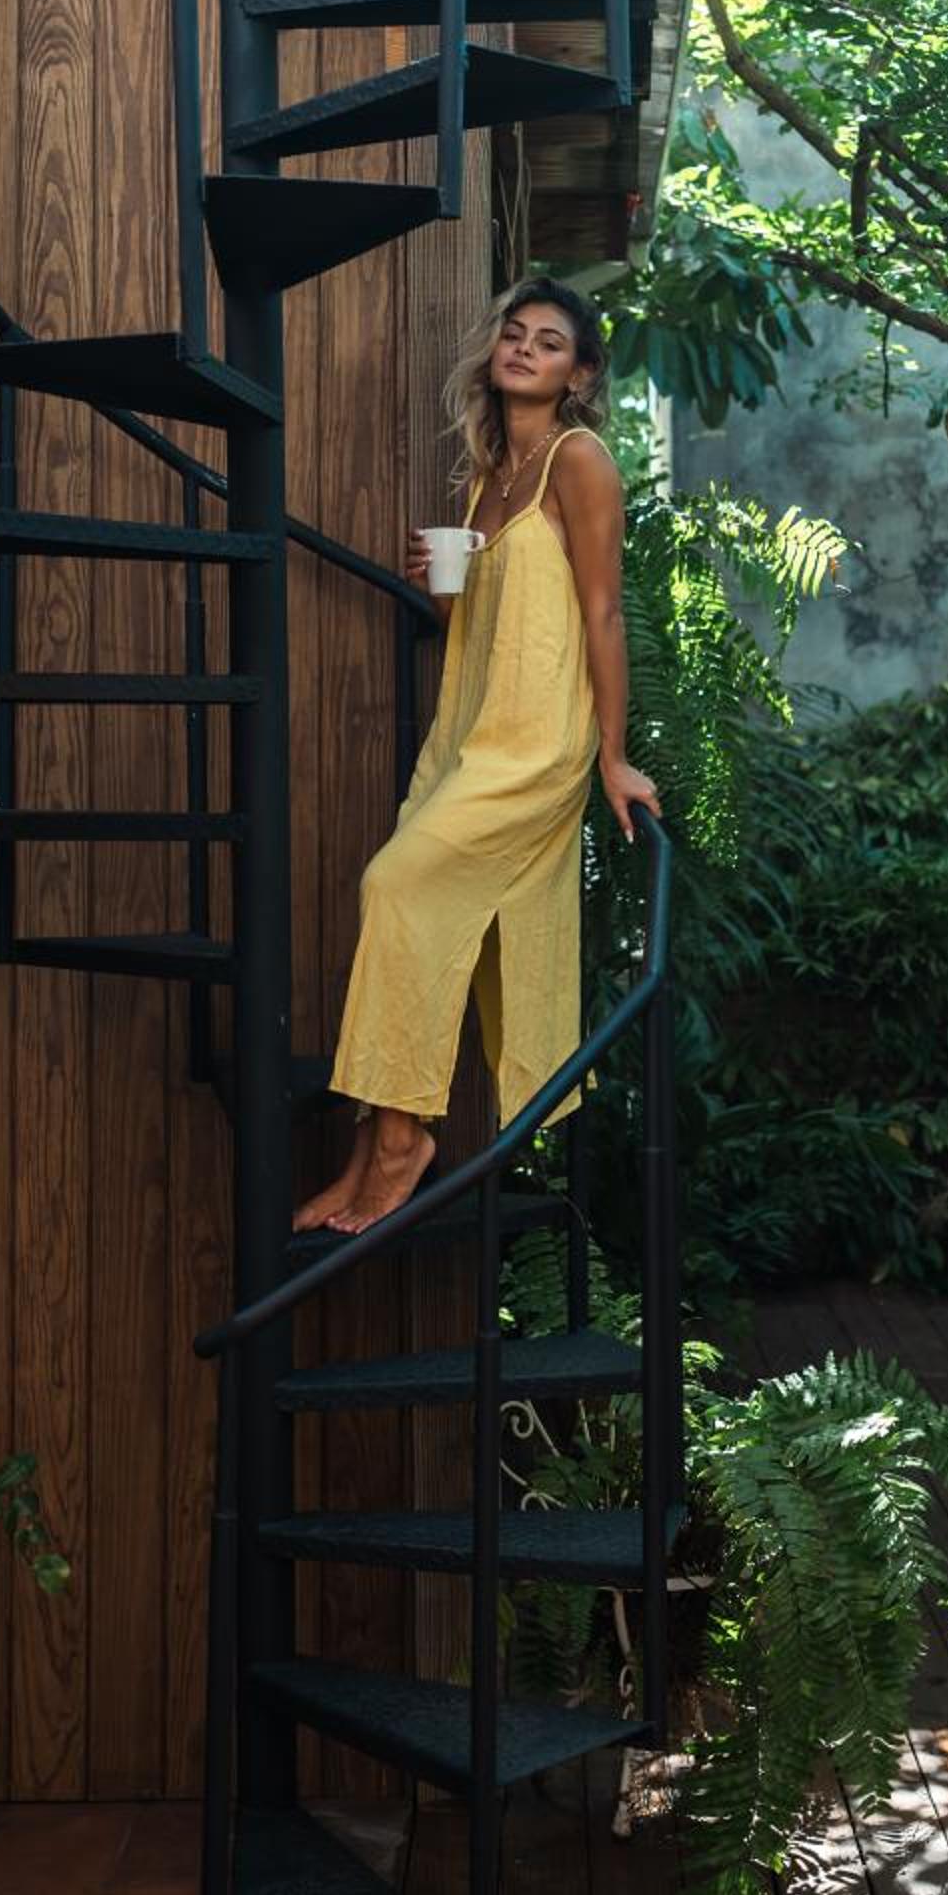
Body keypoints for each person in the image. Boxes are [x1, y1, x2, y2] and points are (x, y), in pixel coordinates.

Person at [293, 277, 661, 1235]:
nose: (524, 348)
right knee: (411, 911)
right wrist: (443, 585)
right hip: (469, 737)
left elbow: (602, 612)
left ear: (579, 376)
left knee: (395, 885)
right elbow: (483, 621)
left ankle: (403, 1140)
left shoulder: (580, 461)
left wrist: (611, 757)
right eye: (514, 333)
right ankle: (374, 1142)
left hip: (535, 745)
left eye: (550, 342)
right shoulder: (490, 475)